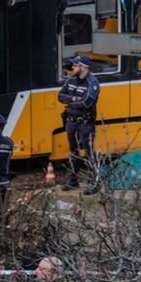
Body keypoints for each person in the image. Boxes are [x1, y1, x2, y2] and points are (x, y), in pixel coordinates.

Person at [58, 56, 101, 194]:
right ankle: (73, 181)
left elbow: (87, 103)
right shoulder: (70, 80)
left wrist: (70, 102)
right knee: (74, 152)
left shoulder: (92, 83)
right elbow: (60, 96)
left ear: (83, 67)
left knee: (89, 153)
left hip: (85, 123)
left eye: (75, 66)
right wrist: (73, 99)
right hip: (71, 121)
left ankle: (95, 182)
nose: (72, 68)